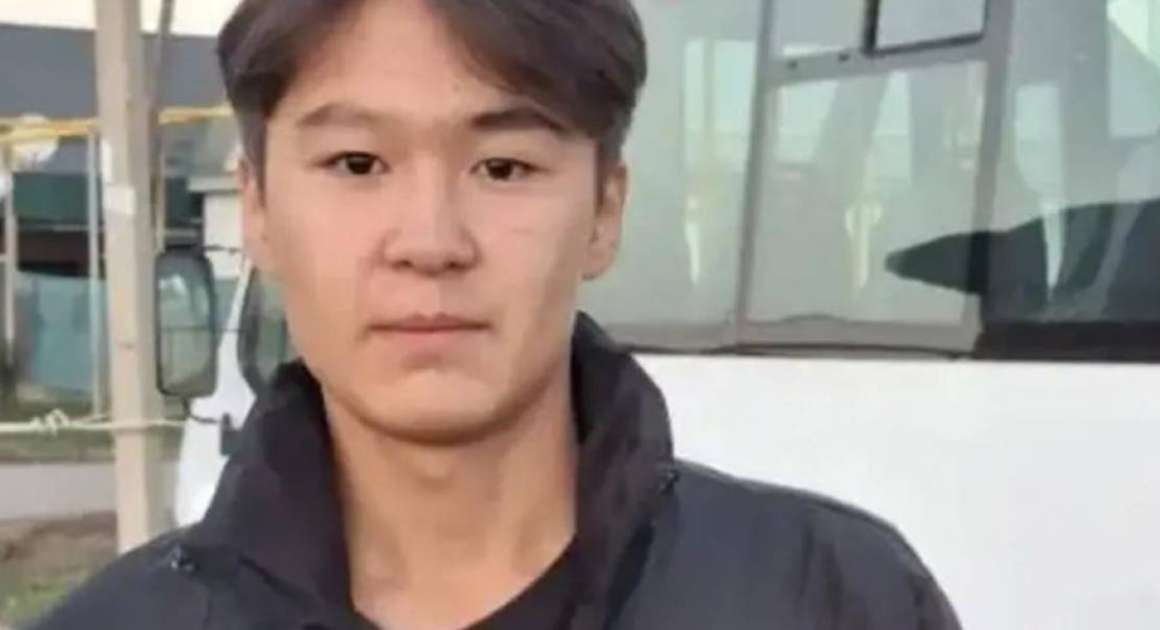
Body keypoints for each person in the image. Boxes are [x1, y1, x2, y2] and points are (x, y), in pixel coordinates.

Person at [36, 0, 960, 628]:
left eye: (504, 167)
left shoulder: (833, 598)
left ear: (605, 211)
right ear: (260, 211)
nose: (430, 241)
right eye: (357, 164)